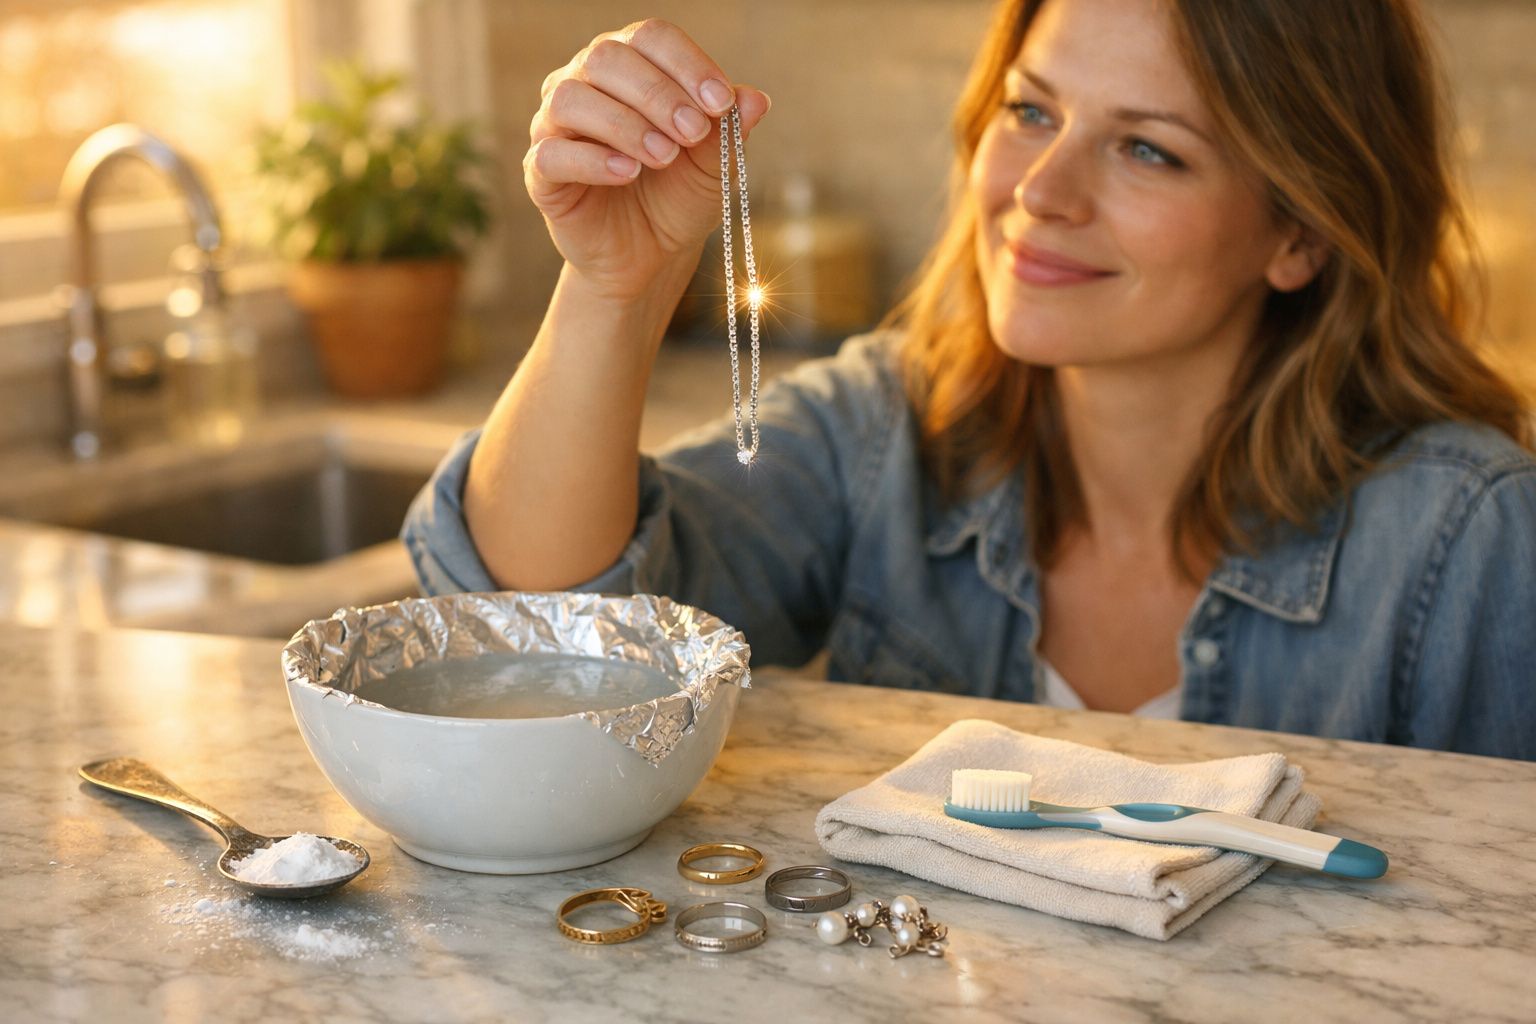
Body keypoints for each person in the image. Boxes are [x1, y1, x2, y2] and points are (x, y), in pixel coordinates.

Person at [403, 0, 1536, 760]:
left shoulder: (1467, 538)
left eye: (1149, 147)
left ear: (1301, 232)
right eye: (1031, 110)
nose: (1040, 189)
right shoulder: (884, 428)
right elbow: (531, 642)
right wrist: (615, 289)